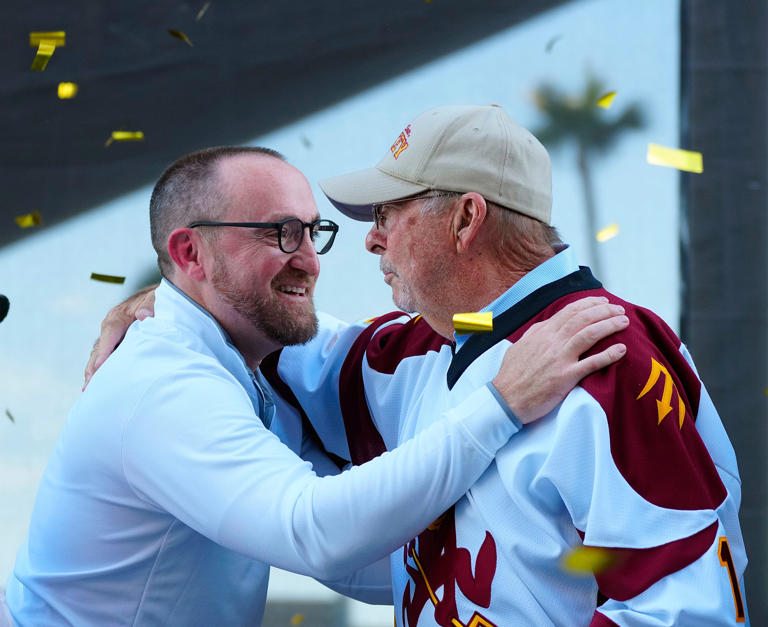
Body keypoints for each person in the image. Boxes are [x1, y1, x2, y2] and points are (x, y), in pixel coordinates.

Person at [5, 146, 628, 627]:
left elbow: (365, 557)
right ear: (190, 254)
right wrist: (501, 404)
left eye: (312, 231)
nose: (310, 258)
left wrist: (538, 557)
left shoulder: (242, 350)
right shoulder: (164, 385)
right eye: (280, 233)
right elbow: (317, 534)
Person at [264, 105, 748, 625]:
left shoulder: (608, 356)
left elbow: (692, 612)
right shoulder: (437, 339)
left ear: (466, 219)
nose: (372, 238)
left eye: (387, 214)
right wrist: (191, 310)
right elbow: (279, 350)